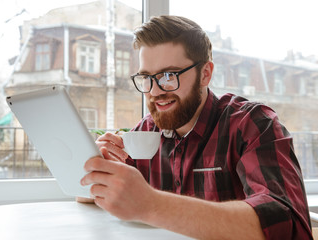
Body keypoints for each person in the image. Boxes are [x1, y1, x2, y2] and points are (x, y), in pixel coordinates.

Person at [79, 15, 313, 239]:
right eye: (147, 78)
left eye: (169, 75)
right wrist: (97, 171)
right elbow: (99, 195)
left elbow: (287, 224)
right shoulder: (145, 132)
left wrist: (152, 205)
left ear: (205, 74)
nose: (155, 91)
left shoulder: (252, 124)